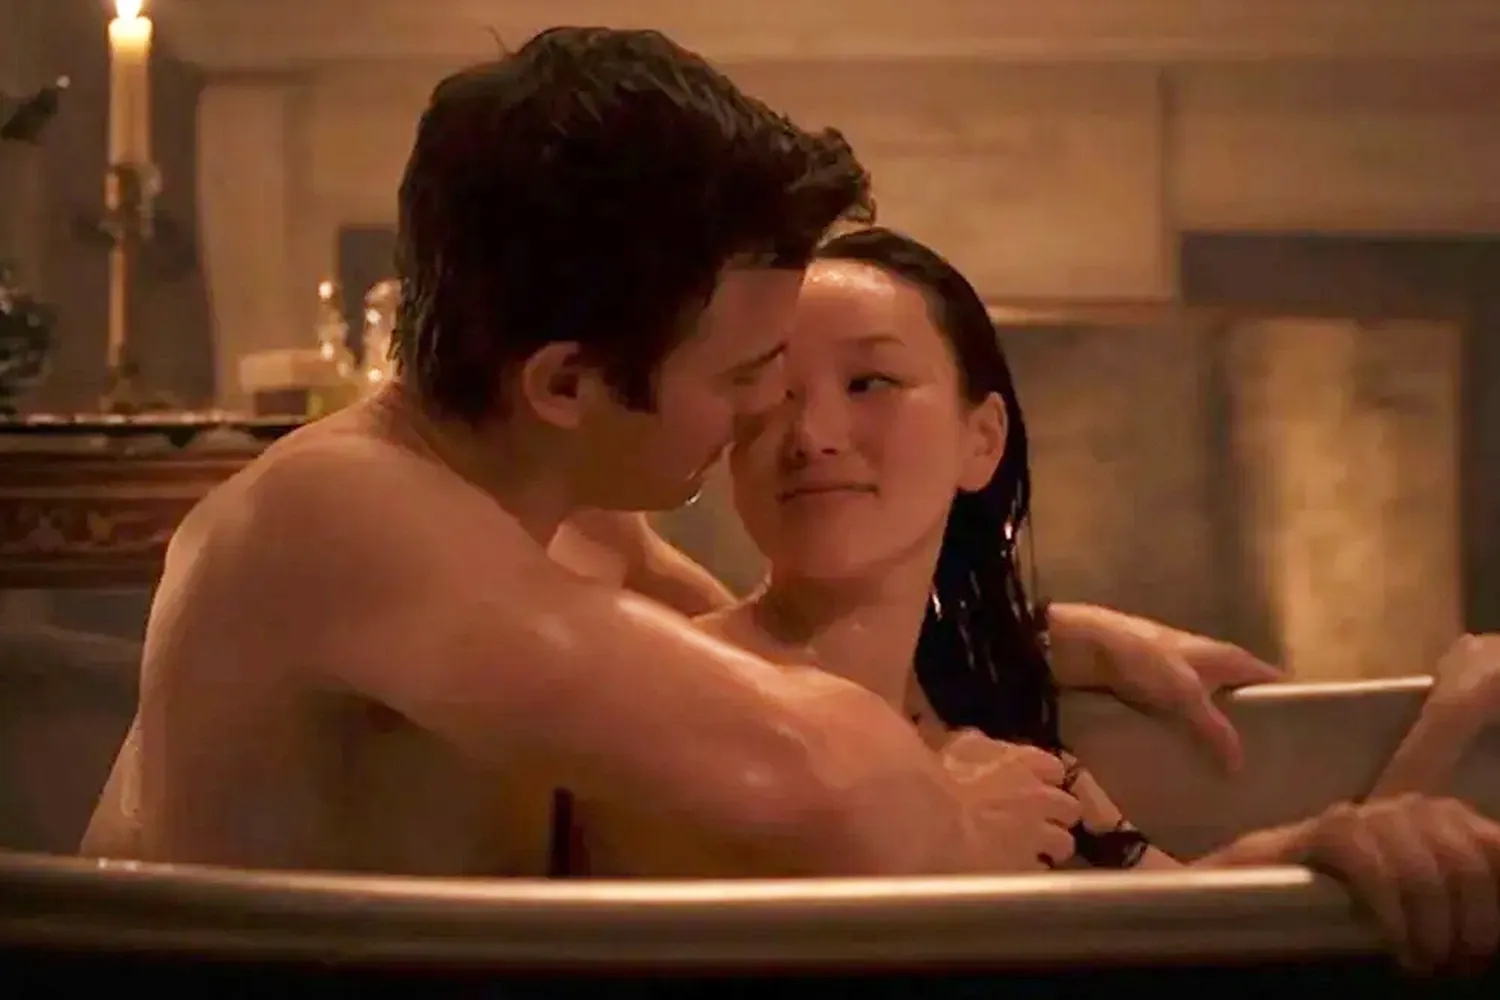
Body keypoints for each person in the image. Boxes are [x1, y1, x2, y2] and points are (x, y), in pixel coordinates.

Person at [76, 26, 1208, 879]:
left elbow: (784, 646)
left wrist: (1032, 632)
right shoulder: (337, 518)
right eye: (743, 372)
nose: (772, 407)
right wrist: (950, 817)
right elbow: (817, 767)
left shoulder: (564, 516)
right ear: (566, 384)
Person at [599, 226, 1496, 971]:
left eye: (870, 382)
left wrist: (1436, 738)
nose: (813, 434)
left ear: (981, 441)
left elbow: (1205, 936)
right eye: (769, 392)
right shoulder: (668, 693)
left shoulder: (1001, 752)